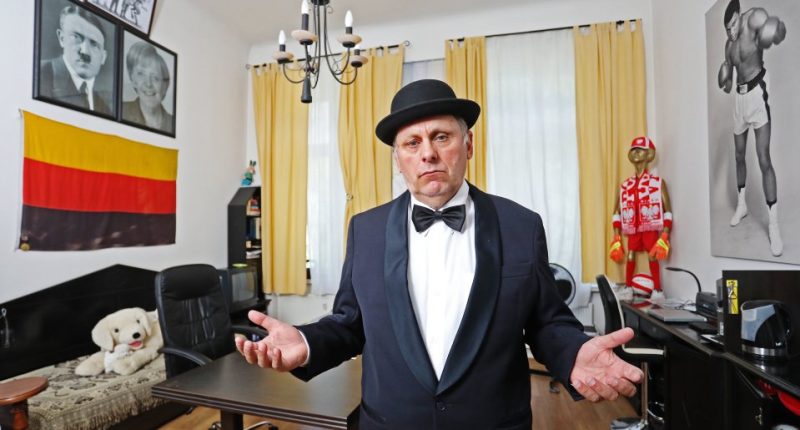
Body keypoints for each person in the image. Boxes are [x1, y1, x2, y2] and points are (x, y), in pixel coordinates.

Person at [236, 79, 644, 429]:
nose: (427, 153)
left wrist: (573, 352)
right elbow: (349, 324)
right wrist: (306, 341)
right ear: (398, 160)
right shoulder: (366, 230)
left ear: (468, 144)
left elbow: (545, 321)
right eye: (412, 143)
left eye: (441, 137)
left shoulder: (521, 225)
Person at [717, 0, 786, 257]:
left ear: (739, 16)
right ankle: (742, 204)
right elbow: (727, 86)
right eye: (727, 29)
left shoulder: (754, 18)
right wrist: (724, 78)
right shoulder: (728, 46)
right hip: (739, 99)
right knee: (738, 155)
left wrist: (775, 30)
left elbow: (774, 31)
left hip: (757, 94)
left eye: (733, 25)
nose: (731, 32)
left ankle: (774, 225)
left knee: (763, 158)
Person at [608, 137, 672, 295]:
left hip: (650, 226)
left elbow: (668, 211)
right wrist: (616, 238)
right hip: (632, 228)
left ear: (649, 154)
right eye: (633, 149)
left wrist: (665, 235)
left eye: (640, 149)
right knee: (630, 255)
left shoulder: (657, 183)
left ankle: (657, 290)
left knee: (652, 255)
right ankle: (628, 287)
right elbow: (616, 212)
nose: (635, 152)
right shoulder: (625, 185)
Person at [39, 5, 111, 114]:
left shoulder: (105, 109)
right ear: (62, 38)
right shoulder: (39, 74)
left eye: (94, 44)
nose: (85, 51)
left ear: (103, 57)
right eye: (75, 37)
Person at [121, 41, 173, 134]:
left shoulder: (173, 124)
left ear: (165, 85)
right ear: (133, 79)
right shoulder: (122, 111)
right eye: (141, 74)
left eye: (155, 77)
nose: (148, 84)